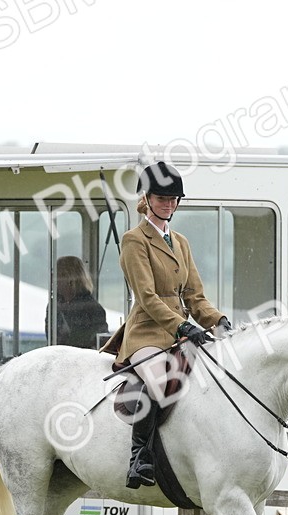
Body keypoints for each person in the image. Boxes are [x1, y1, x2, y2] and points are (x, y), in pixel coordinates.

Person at [104, 161, 230, 489]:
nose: (169, 204)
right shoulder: (135, 240)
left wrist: (217, 321)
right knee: (160, 381)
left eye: (174, 199)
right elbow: (147, 297)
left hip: (179, 333)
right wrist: (182, 327)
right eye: (162, 198)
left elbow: (195, 297)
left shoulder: (182, 243)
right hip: (147, 332)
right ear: (148, 198)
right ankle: (139, 457)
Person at [48, 256, 108, 349]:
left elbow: (97, 343)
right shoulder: (54, 306)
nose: (52, 281)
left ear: (69, 278)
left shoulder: (92, 309)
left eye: (56, 275)